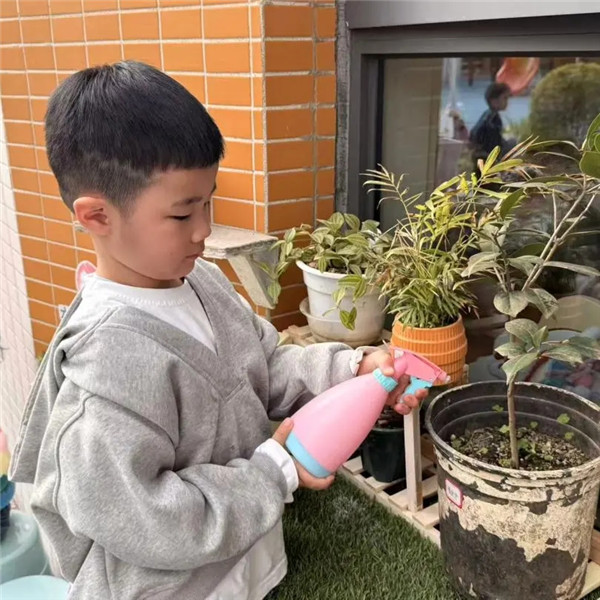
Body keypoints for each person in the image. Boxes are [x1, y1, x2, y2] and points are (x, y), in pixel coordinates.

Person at [9, 61, 426, 600]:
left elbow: (265, 364)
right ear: (97, 217)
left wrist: (352, 370)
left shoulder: (199, 279)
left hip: (244, 560)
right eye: (183, 214)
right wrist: (272, 472)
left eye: (208, 201)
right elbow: (152, 521)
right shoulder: (106, 367)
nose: (204, 230)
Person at [469, 82, 516, 167]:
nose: (507, 102)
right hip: (486, 155)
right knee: (514, 143)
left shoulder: (487, 114)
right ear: (494, 101)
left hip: (479, 152)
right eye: (505, 98)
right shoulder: (493, 119)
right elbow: (494, 142)